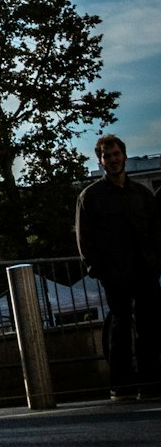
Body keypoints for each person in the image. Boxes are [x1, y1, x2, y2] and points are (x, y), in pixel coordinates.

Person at [75, 135, 161, 401]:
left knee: (149, 328)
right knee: (121, 328)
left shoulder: (142, 194)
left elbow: (156, 231)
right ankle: (122, 386)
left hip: (145, 270)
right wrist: (98, 269)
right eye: (107, 156)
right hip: (115, 273)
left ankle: (150, 384)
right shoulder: (90, 197)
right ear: (100, 161)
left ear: (124, 155)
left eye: (116, 154)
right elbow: (84, 239)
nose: (113, 160)